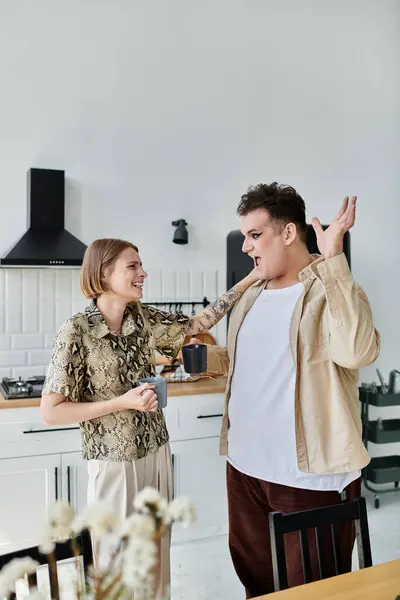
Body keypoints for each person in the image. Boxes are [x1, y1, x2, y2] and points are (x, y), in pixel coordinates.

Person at [190, 183, 380, 598]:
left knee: (317, 590)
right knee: (257, 584)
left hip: (309, 476)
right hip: (244, 469)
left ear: (289, 233)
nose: (245, 247)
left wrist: (333, 260)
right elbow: (253, 363)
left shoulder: (330, 289)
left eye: (255, 235)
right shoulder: (251, 295)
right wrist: (203, 360)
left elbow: (358, 351)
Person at [40, 237, 258, 598]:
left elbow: (196, 323)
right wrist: (121, 402)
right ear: (103, 273)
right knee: (115, 560)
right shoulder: (76, 330)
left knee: (156, 554)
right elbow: (50, 410)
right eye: (133, 267)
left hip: (155, 451)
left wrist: (250, 279)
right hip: (113, 461)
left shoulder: (141, 318)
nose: (143, 273)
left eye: (141, 266)